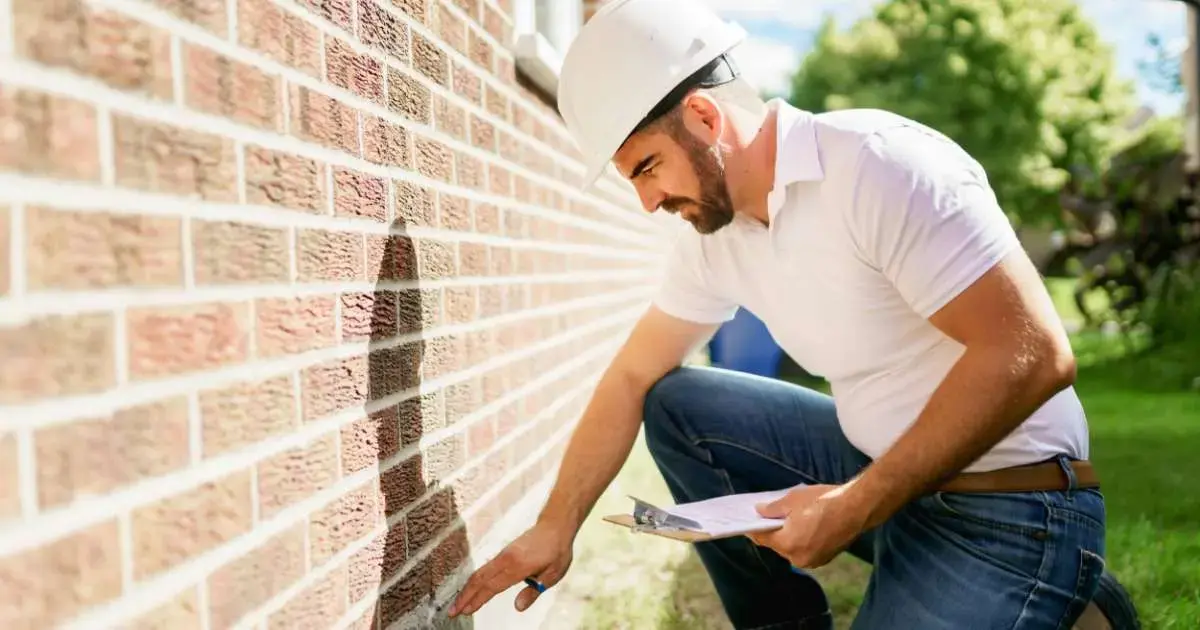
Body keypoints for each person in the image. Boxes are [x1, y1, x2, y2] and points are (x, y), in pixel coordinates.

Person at [446, 1, 1120, 627]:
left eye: (649, 168)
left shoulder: (878, 166)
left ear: (705, 119)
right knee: (679, 404)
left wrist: (855, 505)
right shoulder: (718, 238)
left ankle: (1056, 587)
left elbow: (1033, 354)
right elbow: (629, 377)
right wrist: (555, 525)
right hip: (890, 480)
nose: (648, 203)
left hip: (1013, 508)